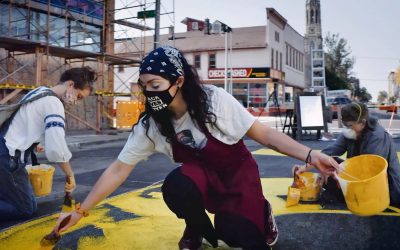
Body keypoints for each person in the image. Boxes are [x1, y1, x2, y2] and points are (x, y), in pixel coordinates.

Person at [54, 46, 337, 249]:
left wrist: (311, 154)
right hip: (202, 179)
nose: (149, 93)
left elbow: (263, 134)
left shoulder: (214, 101)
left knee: (236, 234)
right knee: (176, 185)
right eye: (144, 86)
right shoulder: (152, 123)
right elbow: (118, 169)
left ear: (178, 81)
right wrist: (80, 211)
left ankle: (259, 212)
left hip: (237, 175)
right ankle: (196, 225)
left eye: (155, 84)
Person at [0, 66, 96, 220]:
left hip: (4, 149)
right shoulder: (54, 103)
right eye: (79, 97)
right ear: (71, 85)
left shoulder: (40, 91)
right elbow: (56, 148)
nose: (76, 103)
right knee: (25, 209)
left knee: (26, 201)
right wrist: (70, 174)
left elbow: (26, 120)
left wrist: (36, 141)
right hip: (8, 158)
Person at [318, 102, 400, 206]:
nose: (347, 128)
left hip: (382, 184)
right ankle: (345, 195)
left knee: (336, 169)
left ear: (362, 122)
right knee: (330, 163)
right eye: (345, 125)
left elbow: (369, 171)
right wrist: (310, 163)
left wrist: (340, 177)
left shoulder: (377, 137)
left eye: (350, 125)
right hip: (358, 175)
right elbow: (330, 152)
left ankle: (350, 196)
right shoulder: (350, 131)